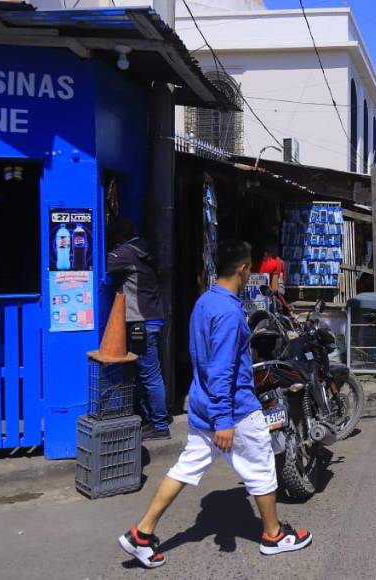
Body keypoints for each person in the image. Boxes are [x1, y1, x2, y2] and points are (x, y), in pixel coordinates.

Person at [118, 240, 312, 568]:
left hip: (202, 404)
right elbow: (221, 370)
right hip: (233, 409)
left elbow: (205, 361)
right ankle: (273, 535)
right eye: (250, 267)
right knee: (262, 466)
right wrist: (224, 419)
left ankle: (142, 532)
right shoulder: (228, 313)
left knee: (186, 467)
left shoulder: (205, 302)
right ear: (243, 269)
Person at [106, 219, 170, 440]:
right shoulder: (143, 248)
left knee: (150, 375)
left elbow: (98, 262)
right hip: (150, 319)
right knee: (147, 374)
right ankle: (153, 420)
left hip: (140, 322)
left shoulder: (126, 253)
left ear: (118, 237)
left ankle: (160, 426)